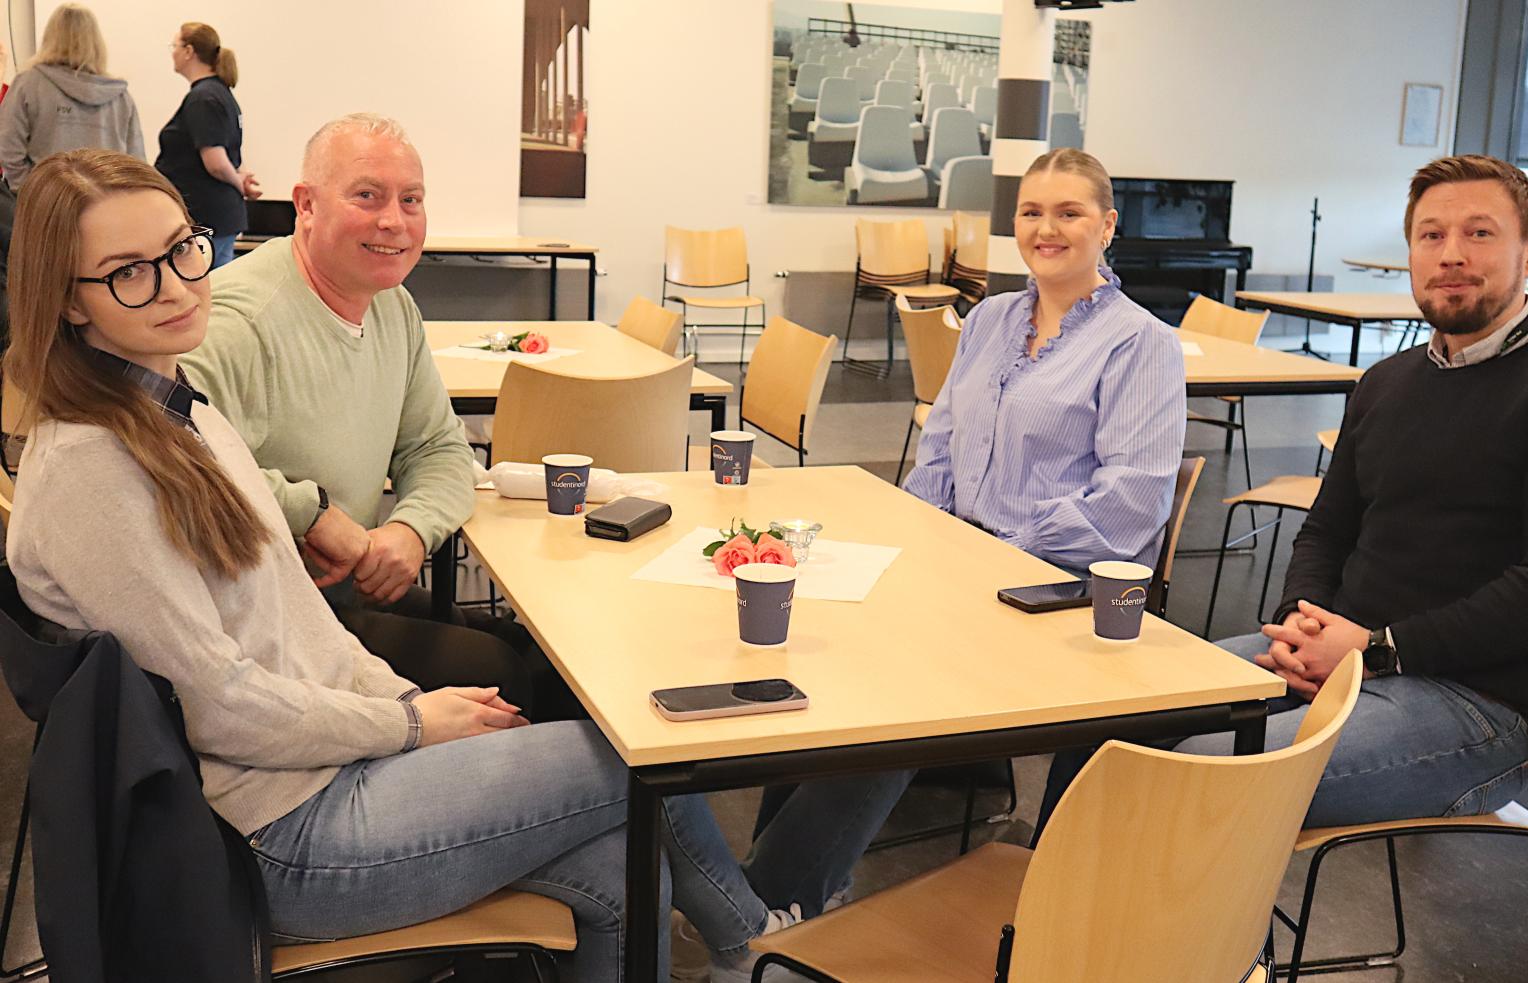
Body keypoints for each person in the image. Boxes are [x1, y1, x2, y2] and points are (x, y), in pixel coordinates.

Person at [2, 147, 905, 982]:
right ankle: (754, 945)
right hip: (270, 834)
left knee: (617, 866)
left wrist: (406, 706)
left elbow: (298, 623)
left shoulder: (172, 406)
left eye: (182, 249)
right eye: (129, 272)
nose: (175, 285)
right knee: (632, 756)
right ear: (68, 300)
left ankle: (742, 947)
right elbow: (218, 700)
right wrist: (407, 726)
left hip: (312, 772)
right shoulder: (91, 467)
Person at [1036, 154, 1528, 836]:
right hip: (1345, 655)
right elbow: (1326, 530)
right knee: (1111, 715)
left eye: (1479, 233)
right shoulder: (1388, 382)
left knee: (1185, 778)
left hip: (1479, 703)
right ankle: (1042, 904)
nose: (1451, 254)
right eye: (1431, 235)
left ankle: (1152, 909)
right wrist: (1298, 622)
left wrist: (1377, 649)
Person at [178, 113, 559, 716]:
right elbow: (178, 463)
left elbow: (437, 449)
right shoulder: (238, 323)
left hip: (344, 589)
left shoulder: (392, 306)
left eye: (411, 200)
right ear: (306, 205)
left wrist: (410, 530)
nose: (394, 221)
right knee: (505, 674)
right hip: (262, 624)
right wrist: (310, 514)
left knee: (544, 656)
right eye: (367, 196)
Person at [902, 147, 1186, 575]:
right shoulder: (988, 318)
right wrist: (931, 536)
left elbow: (1131, 504)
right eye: (1031, 213)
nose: (1046, 229)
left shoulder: (1141, 342)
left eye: (1069, 214)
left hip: (1055, 576)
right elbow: (940, 446)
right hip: (958, 556)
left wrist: (1002, 553)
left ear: (1107, 225)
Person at [0, 3, 143, 191]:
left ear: (50, 37)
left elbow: (8, 148)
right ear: (95, 42)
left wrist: (31, 191)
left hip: (47, 198)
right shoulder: (120, 97)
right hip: (106, 200)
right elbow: (137, 163)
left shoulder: (28, 84)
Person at [156, 22, 260, 269]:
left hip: (205, 216)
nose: (172, 53)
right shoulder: (219, 93)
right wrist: (239, 178)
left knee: (205, 284)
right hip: (218, 215)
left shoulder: (203, 98)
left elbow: (216, 162)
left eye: (174, 46)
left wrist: (239, 183)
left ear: (189, 51)